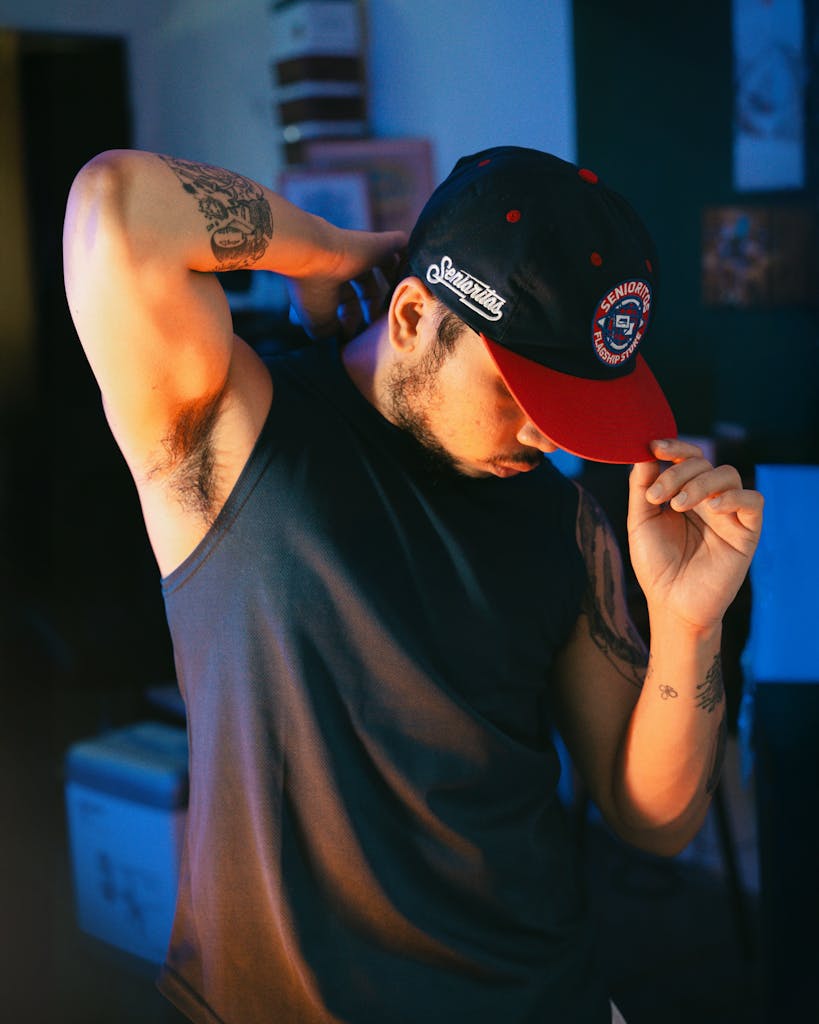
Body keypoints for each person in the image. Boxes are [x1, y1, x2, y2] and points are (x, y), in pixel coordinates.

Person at [63, 145, 763, 1024]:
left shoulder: (562, 521)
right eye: (523, 395)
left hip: (543, 996)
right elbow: (115, 205)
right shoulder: (233, 433)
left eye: (576, 410)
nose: (555, 441)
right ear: (409, 315)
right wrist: (323, 250)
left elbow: (653, 820)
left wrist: (687, 620)